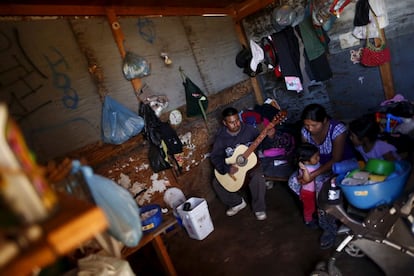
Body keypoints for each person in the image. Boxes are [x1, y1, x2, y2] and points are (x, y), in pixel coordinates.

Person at [288, 103, 356, 249]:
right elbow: (306, 155)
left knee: (323, 191)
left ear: (324, 120)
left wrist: (311, 176)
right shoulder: (305, 132)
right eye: (307, 125)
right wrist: (303, 172)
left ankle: (328, 227)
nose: (310, 129)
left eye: (314, 125)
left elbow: (336, 159)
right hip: (316, 166)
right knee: (293, 182)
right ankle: (312, 209)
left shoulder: (337, 130)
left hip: (339, 165)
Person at [210, 107, 269, 220]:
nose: (236, 124)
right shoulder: (221, 137)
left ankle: (259, 208)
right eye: (231, 122)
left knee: (257, 177)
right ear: (224, 123)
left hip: (251, 165)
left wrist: (269, 137)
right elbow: (215, 157)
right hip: (233, 166)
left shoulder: (250, 130)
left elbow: (262, 145)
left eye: (237, 120)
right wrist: (227, 168)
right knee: (216, 182)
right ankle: (237, 203)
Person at [296, 142, 320, 229]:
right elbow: (306, 179)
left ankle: (316, 218)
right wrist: (304, 169)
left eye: (318, 155)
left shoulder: (316, 164)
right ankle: (308, 220)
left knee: (315, 206)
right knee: (309, 208)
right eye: (315, 157)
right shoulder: (305, 169)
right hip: (307, 193)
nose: (318, 158)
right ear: (306, 161)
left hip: (315, 191)